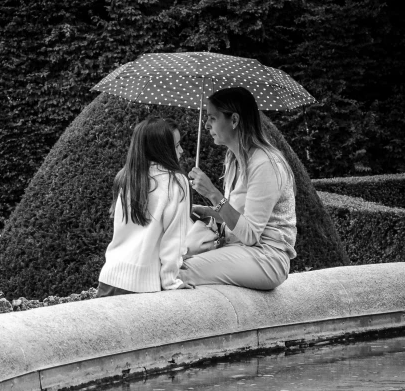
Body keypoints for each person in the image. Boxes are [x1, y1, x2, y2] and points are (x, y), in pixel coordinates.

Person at [181, 87, 297, 290]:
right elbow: (236, 218)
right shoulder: (235, 160)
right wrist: (205, 211)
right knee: (169, 262)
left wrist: (213, 194)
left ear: (234, 120)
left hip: (267, 257)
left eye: (212, 118)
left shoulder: (265, 164)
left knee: (179, 271)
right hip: (241, 249)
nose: (206, 125)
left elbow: (250, 234)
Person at [97, 117, 193, 296]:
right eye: (177, 145)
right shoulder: (176, 181)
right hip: (141, 286)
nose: (181, 151)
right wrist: (171, 282)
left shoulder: (127, 177)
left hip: (109, 278)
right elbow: (173, 239)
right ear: (163, 149)